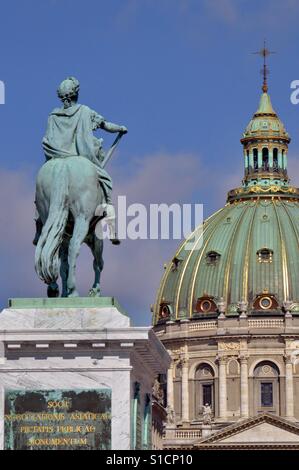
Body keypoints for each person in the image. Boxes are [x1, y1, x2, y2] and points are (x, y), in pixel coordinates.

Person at [33, 76, 127, 245]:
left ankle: (39, 226)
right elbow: (106, 125)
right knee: (106, 182)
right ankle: (111, 226)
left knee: (43, 190)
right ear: (76, 94)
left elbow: (48, 140)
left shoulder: (53, 116)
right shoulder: (84, 111)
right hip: (81, 159)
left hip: (56, 157)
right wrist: (120, 128)